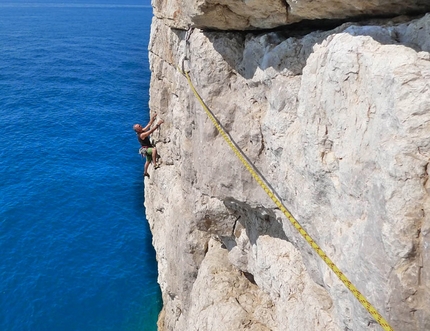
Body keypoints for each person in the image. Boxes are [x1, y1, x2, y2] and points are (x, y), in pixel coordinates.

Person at [133, 114, 164, 178]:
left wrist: (152, 118)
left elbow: (149, 125)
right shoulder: (141, 135)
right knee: (154, 150)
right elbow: (150, 131)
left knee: (148, 161)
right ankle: (155, 165)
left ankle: (145, 172)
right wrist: (158, 124)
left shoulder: (141, 131)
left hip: (145, 149)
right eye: (139, 126)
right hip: (147, 149)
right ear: (138, 129)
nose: (140, 125)